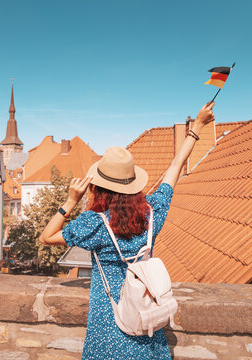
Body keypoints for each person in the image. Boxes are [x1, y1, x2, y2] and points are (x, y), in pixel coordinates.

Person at [39, 102, 215, 359]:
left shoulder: (95, 223)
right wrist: (196, 127)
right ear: (133, 184)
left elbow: (46, 237)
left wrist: (70, 201)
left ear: (98, 187)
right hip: (146, 320)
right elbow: (175, 168)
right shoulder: (153, 213)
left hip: (108, 325)